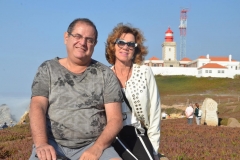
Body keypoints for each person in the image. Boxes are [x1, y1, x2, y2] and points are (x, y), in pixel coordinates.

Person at [29, 18, 123, 160]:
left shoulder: (106, 75)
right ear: (66, 37)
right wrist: (42, 143)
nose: (83, 43)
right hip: (52, 144)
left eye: (89, 39)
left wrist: (97, 148)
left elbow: (115, 119)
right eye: (77, 36)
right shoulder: (47, 69)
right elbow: (37, 106)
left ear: (94, 44)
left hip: (94, 145)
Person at [105, 23, 161, 160]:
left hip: (137, 132)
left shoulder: (144, 73)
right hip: (114, 134)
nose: (125, 47)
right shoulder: (105, 75)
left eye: (131, 44)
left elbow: (155, 111)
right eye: (121, 42)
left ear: (136, 49)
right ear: (113, 46)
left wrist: (154, 148)